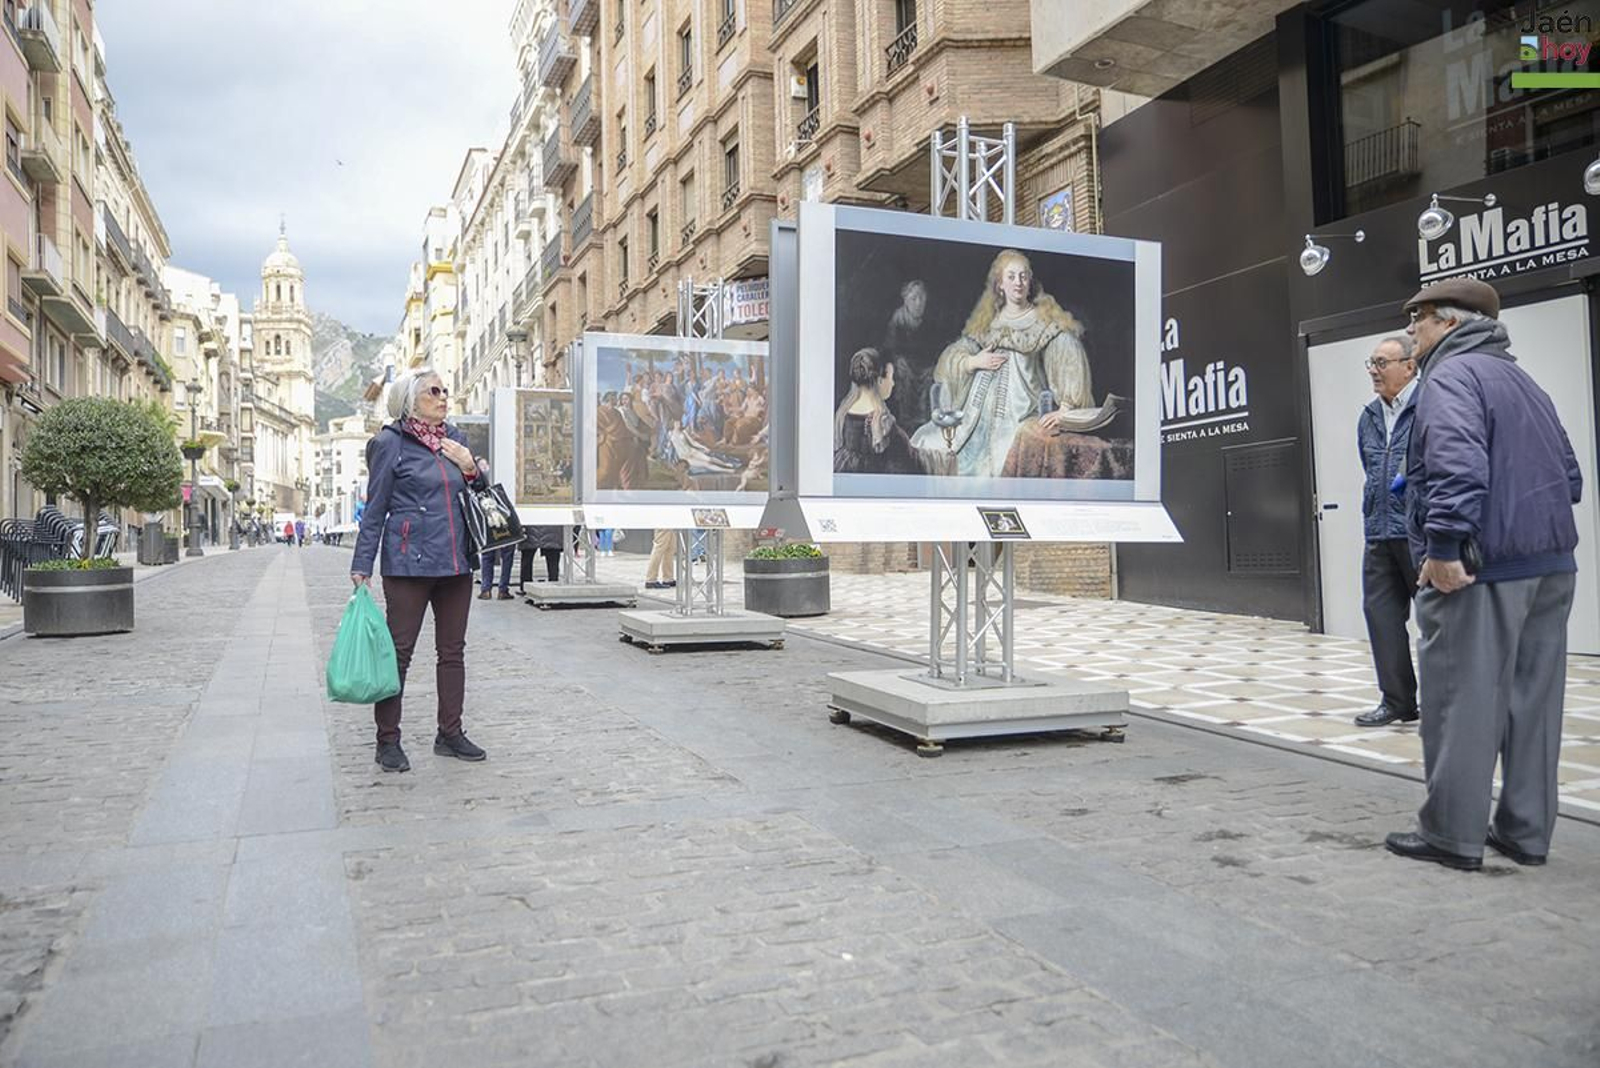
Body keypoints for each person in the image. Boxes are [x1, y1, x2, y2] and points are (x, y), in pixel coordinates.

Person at [1384, 279, 1583, 871]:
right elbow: (1570, 477)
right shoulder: (1524, 381)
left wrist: (1444, 547)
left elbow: (1458, 467)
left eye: (1416, 320)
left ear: (1448, 323)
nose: (1410, 332)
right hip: (1550, 567)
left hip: (1480, 567)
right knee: (1534, 706)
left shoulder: (1450, 379)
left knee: (1459, 700)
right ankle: (1524, 832)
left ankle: (1451, 834)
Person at [351, 367, 489, 773]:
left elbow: (481, 493)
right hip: (408, 562)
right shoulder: (389, 443)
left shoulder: (456, 440)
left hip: (455, 562)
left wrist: (470, 467)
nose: (444, 397)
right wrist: (362, 564)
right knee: (398, 654)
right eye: (434, 391)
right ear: (411, 401)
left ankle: (450, 733)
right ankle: (387, 740)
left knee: (452, 652)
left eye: (446, 390)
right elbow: (374, 510)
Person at [909, 249, 1119, 478]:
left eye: (1023, 276)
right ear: (1000, 284)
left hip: (1018, 415)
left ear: (1030, 282)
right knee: (927, 442)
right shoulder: (989, 322)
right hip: (974, 416)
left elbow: (1068, 350)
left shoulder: (1043, 322)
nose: (1018, 282)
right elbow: (954, 354)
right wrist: (973, 361)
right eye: (1011, 276)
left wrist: (1067, 406)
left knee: (1001, 466)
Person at [1354, 335, 1421, 728]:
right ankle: (1397, 702)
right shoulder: (1369, 415)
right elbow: (1369, 466)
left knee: (1436, 622)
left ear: (1409, 366)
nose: (1374, 372)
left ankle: (1451, 702)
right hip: (1378, 531)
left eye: (1382, 363)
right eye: (1372, 364)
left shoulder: (1428, 404)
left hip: (1417, 533)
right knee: (1380, 615)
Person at [833, 348, 922, 475]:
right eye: (891, 378)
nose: (893, 384)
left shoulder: (843, 413)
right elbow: (907, 461)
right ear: (880, 381)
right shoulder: (884, 421)